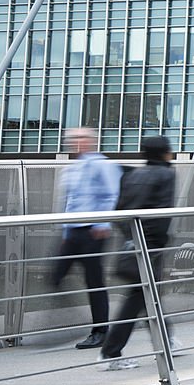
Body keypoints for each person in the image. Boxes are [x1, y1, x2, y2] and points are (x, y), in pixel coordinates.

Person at [99, 136, 176, 370]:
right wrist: (154, 242)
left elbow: (119, 211)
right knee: (139, 298)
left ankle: (166, 340)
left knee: (147, 295)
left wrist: (131, 237)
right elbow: (163, 213)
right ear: (164, 153)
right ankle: (110, 353)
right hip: (149, 246)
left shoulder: (131, 174)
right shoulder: (167, 174)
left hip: (132, 242)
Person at [52, 127, 123, 350]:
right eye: (74, 138)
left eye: (82, 137)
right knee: (55, 274)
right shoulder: (72, 169)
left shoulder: (103, 165)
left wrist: (103, 223)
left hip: (94, 231)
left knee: (94, 282)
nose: (77, 142)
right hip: (73, 231)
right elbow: (70, 201)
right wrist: (66, 231)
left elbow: (113, 194)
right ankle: (62, 322)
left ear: (92, 141)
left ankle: (100, 331)